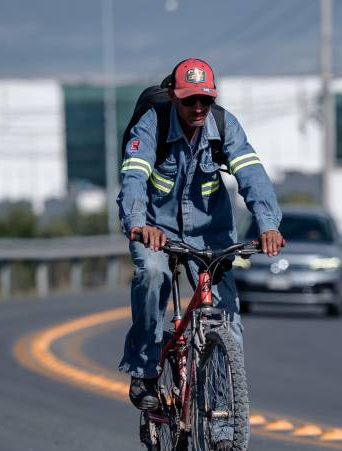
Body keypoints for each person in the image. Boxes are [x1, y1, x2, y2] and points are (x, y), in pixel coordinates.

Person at [117, 58, 285, 410]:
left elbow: (252, 175)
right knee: (152, 274)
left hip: (211, 234)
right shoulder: (153, 125)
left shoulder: (225, 126)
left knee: (227, 322)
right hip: (155, 231)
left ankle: (224, 423)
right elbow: (133, 176)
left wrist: (268, 225)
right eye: (189, 99)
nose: (198, 108)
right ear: (173, 97)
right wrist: (138, 223)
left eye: (205, 100)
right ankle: (145, 371)